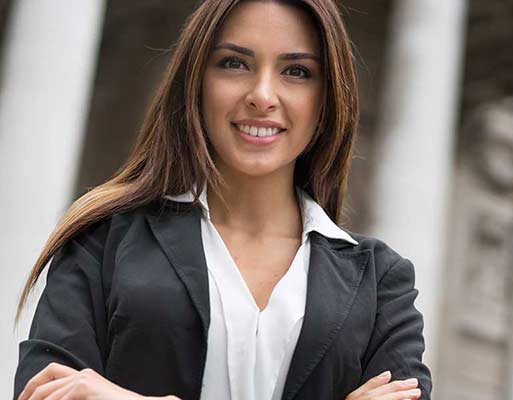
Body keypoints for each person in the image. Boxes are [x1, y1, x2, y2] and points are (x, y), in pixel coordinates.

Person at [13, 1, 432, 399]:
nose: (263, 95)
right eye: (234, 63)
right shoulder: (102, 244)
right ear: (196, 81)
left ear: (326, 101)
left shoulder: (380, 283)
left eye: (297, 71)